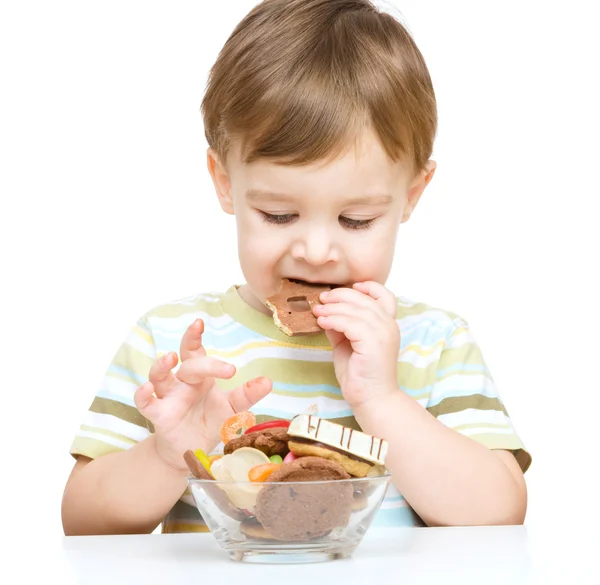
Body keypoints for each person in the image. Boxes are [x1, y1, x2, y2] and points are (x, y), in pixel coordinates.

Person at [61, 0, 531, 536]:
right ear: (223, 181)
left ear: (411, 195)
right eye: (278, 214)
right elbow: (82, 522)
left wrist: (382, 400)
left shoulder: (434, 343)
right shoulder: (174, 349)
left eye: (356, 219)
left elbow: (499, 514)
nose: (314, 249)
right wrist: (167, 456)